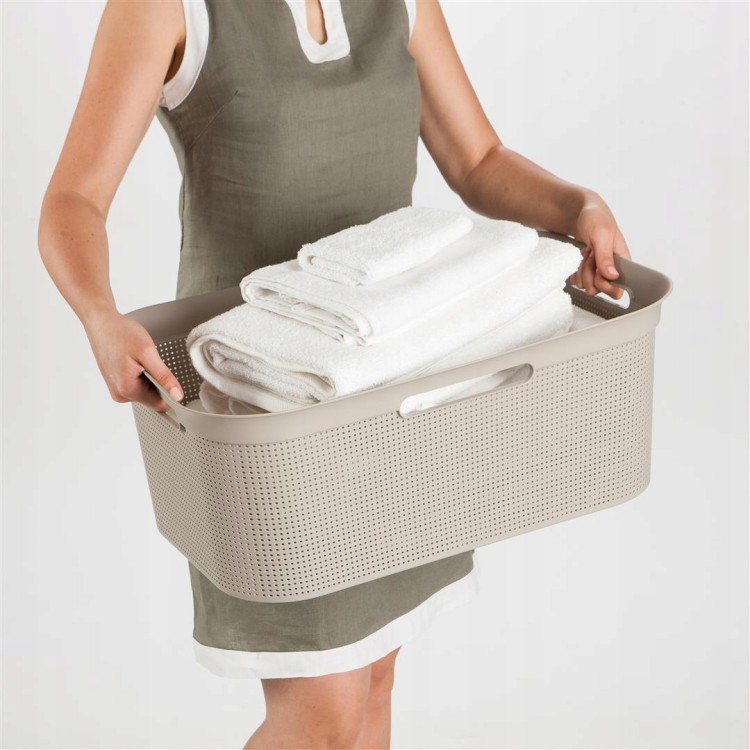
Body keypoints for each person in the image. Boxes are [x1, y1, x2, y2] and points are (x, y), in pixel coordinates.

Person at [38, 0, 632, 747]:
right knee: (323, 716)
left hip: (398, 388)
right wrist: (99, 315)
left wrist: (578, 206)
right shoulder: (166, 8)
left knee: (374, 685)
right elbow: (75, 198)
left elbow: (478, 160)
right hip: (265, 410)